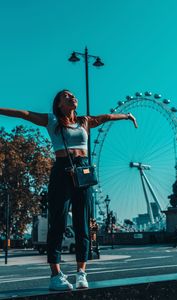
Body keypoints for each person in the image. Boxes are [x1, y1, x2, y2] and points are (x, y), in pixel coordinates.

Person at [0, 89, 138, 290]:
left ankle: (81, 273)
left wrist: (127, 116)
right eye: (66, 95)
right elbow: (24, 114)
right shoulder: (52, 120)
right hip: (62, 170)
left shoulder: (85, 122)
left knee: (83, 224)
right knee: (57, 222)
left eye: (73, 95)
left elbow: (107, 117)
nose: (72, 96)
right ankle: (56, 276)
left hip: (83, 170)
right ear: (58, 104)